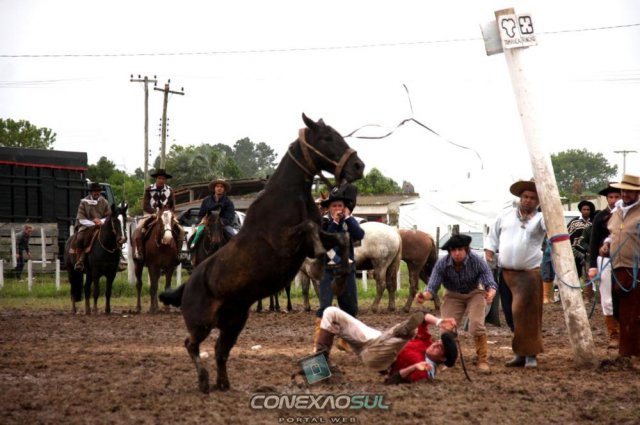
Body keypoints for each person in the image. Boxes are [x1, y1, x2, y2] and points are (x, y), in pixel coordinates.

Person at [484, 180, 546, 368]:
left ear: (538, 202)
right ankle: (520, 353)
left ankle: (531, 355)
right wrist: (489, 251)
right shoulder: (505, 216)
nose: (528, 200)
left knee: (527, 315)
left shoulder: (541, 219)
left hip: (529, 274)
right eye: (525, 197)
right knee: (511, 314)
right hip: (506, 274)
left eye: (533, 198)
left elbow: (553, 230)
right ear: (520, 198)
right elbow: (492, 236)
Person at [415, 233, 497, 372]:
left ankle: (482, 360)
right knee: (446, 329)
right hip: (452, 295)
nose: (457, 253)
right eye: (453, 250)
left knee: (476, 325)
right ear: (449, 251)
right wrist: (424, 296)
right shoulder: (442, 264)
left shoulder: (477, 261)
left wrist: (491, 292)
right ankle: (448, 360)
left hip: (475, 293)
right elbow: (432, 286)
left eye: (460, 249)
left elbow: (489, 280)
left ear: (466, 250)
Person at [314, 306, 458, 384]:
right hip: (376, 339)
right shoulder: (426, 342)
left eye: (440, 348)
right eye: (438, 341)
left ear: (443, 358)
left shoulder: (424, 372)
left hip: (380, 359)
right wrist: (439, 322)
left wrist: (414, 367)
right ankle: (316, 370)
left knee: (410, 332)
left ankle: (403, 330)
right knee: (331, 313)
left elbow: (391, 380)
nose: (435, 344)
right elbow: (423, 315)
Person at [314, 186, 365, 349]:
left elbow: (360, 235)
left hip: (346, 269)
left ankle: (346, 340)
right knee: (325, 306)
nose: (337, 209)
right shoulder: (323, 221)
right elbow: (327, 240)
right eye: (334, 205)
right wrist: (336, 222)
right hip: (327, 270)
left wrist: (348, 218)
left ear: (344, 207)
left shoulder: (349, 221)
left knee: (350, 307)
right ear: (329, 208)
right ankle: (319, 344)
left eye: (340, 206)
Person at [603, 174, 640, 357]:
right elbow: (613, 233)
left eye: (629, 191)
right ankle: (627, 351)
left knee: (633, 311)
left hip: (636, 269)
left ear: (637, 193)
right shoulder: (617, 212)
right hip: (617, 267)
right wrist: (607, 244)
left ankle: (631, 353)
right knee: (619, 310)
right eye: (623, 190)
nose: (625, 194)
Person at [586, 184, 622, 348]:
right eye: (610, 197)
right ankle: (614, 334)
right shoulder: (600, 216)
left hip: (625, 260)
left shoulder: (627, 214)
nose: (613, 200)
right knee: (607, 299)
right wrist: (593, 266)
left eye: (616, 197)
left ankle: (627, 333)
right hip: (605, 260)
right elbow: (594, 243)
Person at [133, 169, 180, 261]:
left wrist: (167, 212)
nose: (161, 180)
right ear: (156, 179)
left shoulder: (170, 190)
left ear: (165, 180)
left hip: (166, 216)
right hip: (150, 214)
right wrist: (155, 212)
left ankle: (178, 254)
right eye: (159, 178)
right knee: (138, 229)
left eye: (163, 178)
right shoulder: (149, 189)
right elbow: (145, 205)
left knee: (181, 230)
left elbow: (173, 206)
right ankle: (139, 251)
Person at [74, 182, 111, 271]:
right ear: (90, 192)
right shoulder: (83, 202)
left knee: (113, 236)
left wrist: (100, 222)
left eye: (98, 191)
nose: (97, 193)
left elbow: (108, 216)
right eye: (95, 191)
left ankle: (118, 259)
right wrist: (93, 222)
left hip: (101, 225)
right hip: (86, 226)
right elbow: (81, 219)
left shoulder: (104, 202)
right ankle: (79, 260)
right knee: (80, 238)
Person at [190, 178, 237, 248]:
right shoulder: (206, 200)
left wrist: (219, 222)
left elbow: (230, 217)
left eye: (221, 187)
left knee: (234, 237)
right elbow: (201, 214)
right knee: (194, 236)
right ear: (214, 188)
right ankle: (191, 252)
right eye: (217, 186)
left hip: (223, 225)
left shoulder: (229, 202)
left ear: (224, 189)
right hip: (207, 224)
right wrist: (202, 221)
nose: (219, 188)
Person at [567, 200, 596, 280]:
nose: (586, 211)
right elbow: (567, 235)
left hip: (589, 252)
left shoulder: (593, 222)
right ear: (581, 210)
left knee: (588, 276)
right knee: (576, 273)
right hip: (575, 252)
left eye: (588, 210)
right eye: (584, 209)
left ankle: (588, 287)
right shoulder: (574, 222)